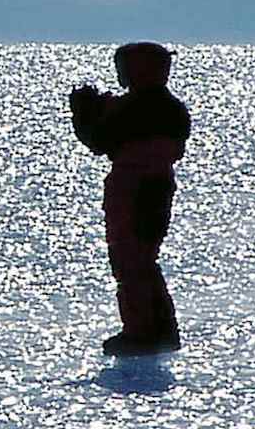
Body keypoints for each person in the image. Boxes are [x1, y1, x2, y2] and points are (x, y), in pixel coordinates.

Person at [70, 42, 191, 357]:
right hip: (155, 184)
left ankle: (142, 332)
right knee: (143, 259)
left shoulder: (138, 107)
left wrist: (84, 115)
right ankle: (160, 329)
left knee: (130, 260)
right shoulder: (170, 107)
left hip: (136, 186)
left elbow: (99, 140)